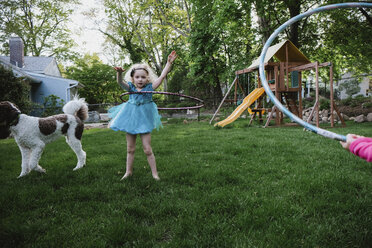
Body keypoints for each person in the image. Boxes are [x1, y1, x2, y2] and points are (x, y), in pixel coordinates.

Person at [109, 51, 178, 180]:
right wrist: (119, 73)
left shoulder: (150, 88)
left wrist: (168, 63)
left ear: (147, 78)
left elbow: (162, 76)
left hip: (144, 120)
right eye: (137, 77)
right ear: (133, 78)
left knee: (147, 149)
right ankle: (128, 172)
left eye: (143, 77)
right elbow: (120, 83)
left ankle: (155, 174)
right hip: (130, 119)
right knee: (130, 148)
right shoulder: (131, 88)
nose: (140, 79)